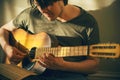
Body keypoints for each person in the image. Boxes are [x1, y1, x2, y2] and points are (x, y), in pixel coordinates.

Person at [0, 0, 100, 80]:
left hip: (69, 75)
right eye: (39, 4)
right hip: (30, 72)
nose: (43, 10)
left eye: (47, 3)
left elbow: (93, 66)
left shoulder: (87, 22)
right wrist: (7, 48)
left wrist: (63, 65)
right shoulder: (30, 14)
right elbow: (3, 30)